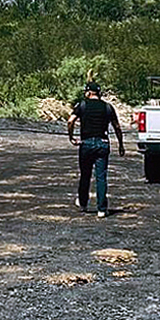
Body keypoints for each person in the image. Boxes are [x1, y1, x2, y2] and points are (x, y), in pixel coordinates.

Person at [67, 82, 123, 218]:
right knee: (101, 177)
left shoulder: (82, 105)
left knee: (85, 175)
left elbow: (70, 121)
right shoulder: (108, 107)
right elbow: (117, 126)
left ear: (89, 92)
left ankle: (83, 203)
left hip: (86, 143)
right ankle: (102, 209)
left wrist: (71, 137)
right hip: (102, 143)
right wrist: (121, 144)